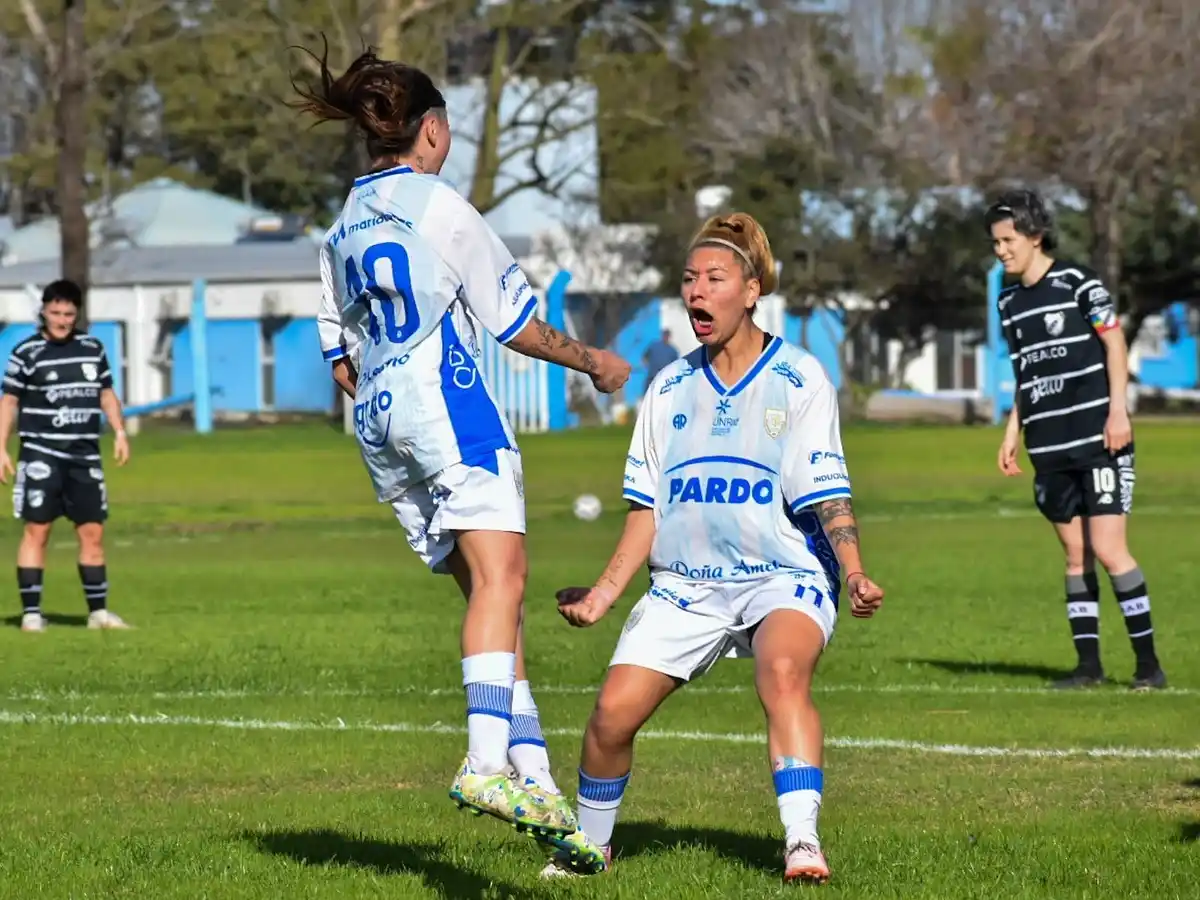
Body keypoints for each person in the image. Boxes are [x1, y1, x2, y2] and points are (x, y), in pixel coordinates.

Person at [291, 44, 631, 866]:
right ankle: (484, 764)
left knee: (490, 602)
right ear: (432, 130)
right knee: (505, 581)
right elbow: (514, 324)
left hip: (380, 424)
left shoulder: (340, 226)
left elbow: (338, 357)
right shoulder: (439, 208)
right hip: (449, 415)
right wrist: (596, 362)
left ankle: (536, 782)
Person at [541, 213, 885, 882]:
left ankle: (802, 843)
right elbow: (647, 511)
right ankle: (590, 847)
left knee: (782, 673)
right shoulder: (667, 389)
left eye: (714, 278)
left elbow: (827, 494)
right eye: (689, 280)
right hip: (688, 586)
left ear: (751, 291)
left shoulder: (799, 378)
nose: (697, 291)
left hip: (781, 575)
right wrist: (603, 596)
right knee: (611, 716)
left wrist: (855, 571)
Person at [987, 189, 1167, 691]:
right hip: (1049, 445)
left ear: (1035, 235)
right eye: (995, 242)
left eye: (1008, 240)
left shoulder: (1078, 283)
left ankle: (1148, 667)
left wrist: (1118, 411)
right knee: (1074, 556)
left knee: (1110, 550)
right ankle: (1088, 667)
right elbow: (1026, 372)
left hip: (1099, 438)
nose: (1001, 250)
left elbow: (1115, 343)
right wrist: (1012, 431)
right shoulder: (1008, 301)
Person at [0, 279, 131, 632]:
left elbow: (106, 393)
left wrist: (119, 431)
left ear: (77, 314)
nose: (61, 320)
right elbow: (9, 402)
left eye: (68, 314)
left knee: (92, 533)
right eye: (55, 313)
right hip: (41, 454)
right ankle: (31, 614)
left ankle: (98, 613)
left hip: (84, 457)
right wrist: (0, 448)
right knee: (36, 530)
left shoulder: (92, 349)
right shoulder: (26, 353)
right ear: (43, 312)